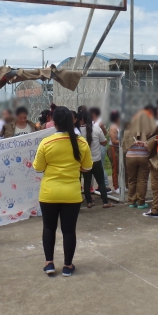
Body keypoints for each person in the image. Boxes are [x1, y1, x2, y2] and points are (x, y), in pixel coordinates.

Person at [33, 106, 92, 277]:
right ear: (73, 120)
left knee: (49, 227)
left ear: (54, 122)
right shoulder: (81, 143)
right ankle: (67, 266)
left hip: (49, 193)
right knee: (68, 230)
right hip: (72, 193)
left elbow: (38, 168)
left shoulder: (46, 142)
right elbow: (87, 167)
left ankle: (49, 264)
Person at [79, 110, 114, 209]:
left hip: (85, 161)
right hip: (96, 160)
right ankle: (105, 202)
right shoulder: (96, 129)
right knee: (101, 182)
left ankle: (89, 202)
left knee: (86, 181)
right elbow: (103, 142)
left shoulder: (79, 131)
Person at [123, 108, 155, 209]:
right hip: (144, 156)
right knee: (142, 180)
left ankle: (132, 201)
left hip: (130, 156)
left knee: (131, 179)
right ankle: (141, 202)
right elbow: (153, 139)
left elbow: (124, 142)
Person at [89, 107, 111, 192]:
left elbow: (105, 134)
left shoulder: (100, 122)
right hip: (95, 145)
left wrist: (102, 127)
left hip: (101, 144)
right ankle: (97, 186)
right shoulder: (91, 121)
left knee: (100, 165)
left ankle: (106, 186)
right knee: (94, 166)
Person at [107, 111, 121, 193]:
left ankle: (123, 185)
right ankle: (116, 186)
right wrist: (124, 142)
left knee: (121, 167)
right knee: (115, 167)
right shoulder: (113, 127)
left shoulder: (119, 126)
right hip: (113, 148)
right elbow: (114, 141)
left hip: (119, 148)